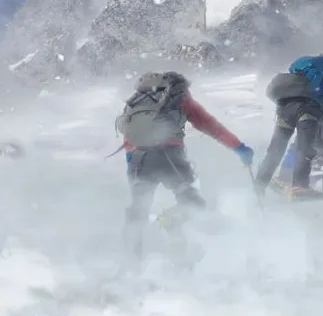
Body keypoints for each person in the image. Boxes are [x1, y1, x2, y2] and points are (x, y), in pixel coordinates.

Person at [115, 71, 254, 257]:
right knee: (192, 203)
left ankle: (132, 262)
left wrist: (135, 165)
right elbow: (209, 125)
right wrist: (239, 147)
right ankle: (174, 230)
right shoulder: (179, 97)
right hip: (171, 158)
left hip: (139, 160)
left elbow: (130, 138)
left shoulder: (136, 100)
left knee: (138, 210)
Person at [255, 55, 323, 199]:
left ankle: (260, 184)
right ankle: (299, 186)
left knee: (276, 149)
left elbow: (293, 74)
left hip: (285, 108)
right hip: (308, 108)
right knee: (306, 147)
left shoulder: (304, 61)